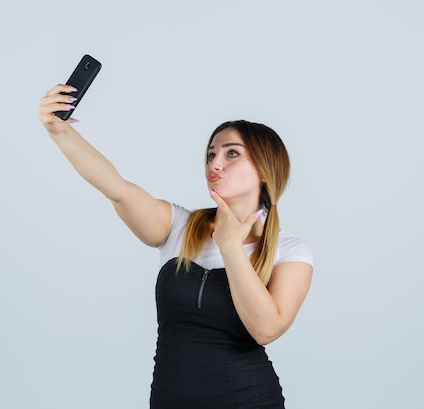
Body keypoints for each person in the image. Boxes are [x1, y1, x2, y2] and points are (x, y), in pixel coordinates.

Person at [39, 84, 313, 409]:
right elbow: (118, 189)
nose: (215, 164)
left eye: (232, 153)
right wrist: (59, 132)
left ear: (265, 170)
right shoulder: (179, 227)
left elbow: (266, 329)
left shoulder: (291, 252)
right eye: (211, 154)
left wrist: (229, 245)